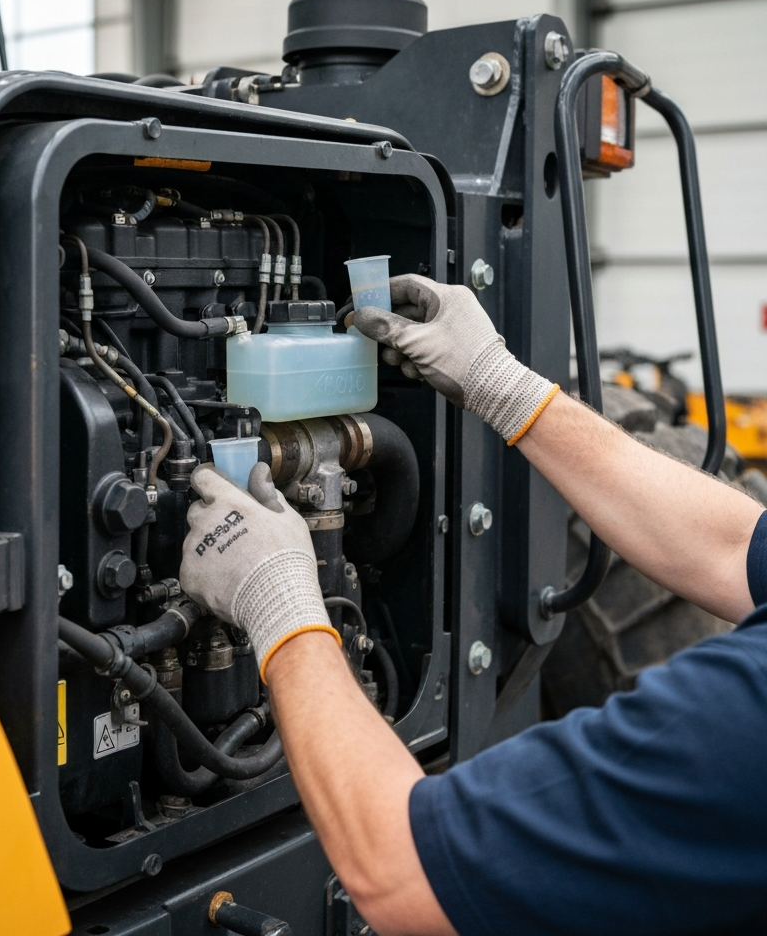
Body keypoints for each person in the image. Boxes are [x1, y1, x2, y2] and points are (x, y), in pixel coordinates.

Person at [178, 275, 767, 936]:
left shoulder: (744, 720)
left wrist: (277, 603)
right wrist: (502, 384)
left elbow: (406, 872)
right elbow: (734, 544)